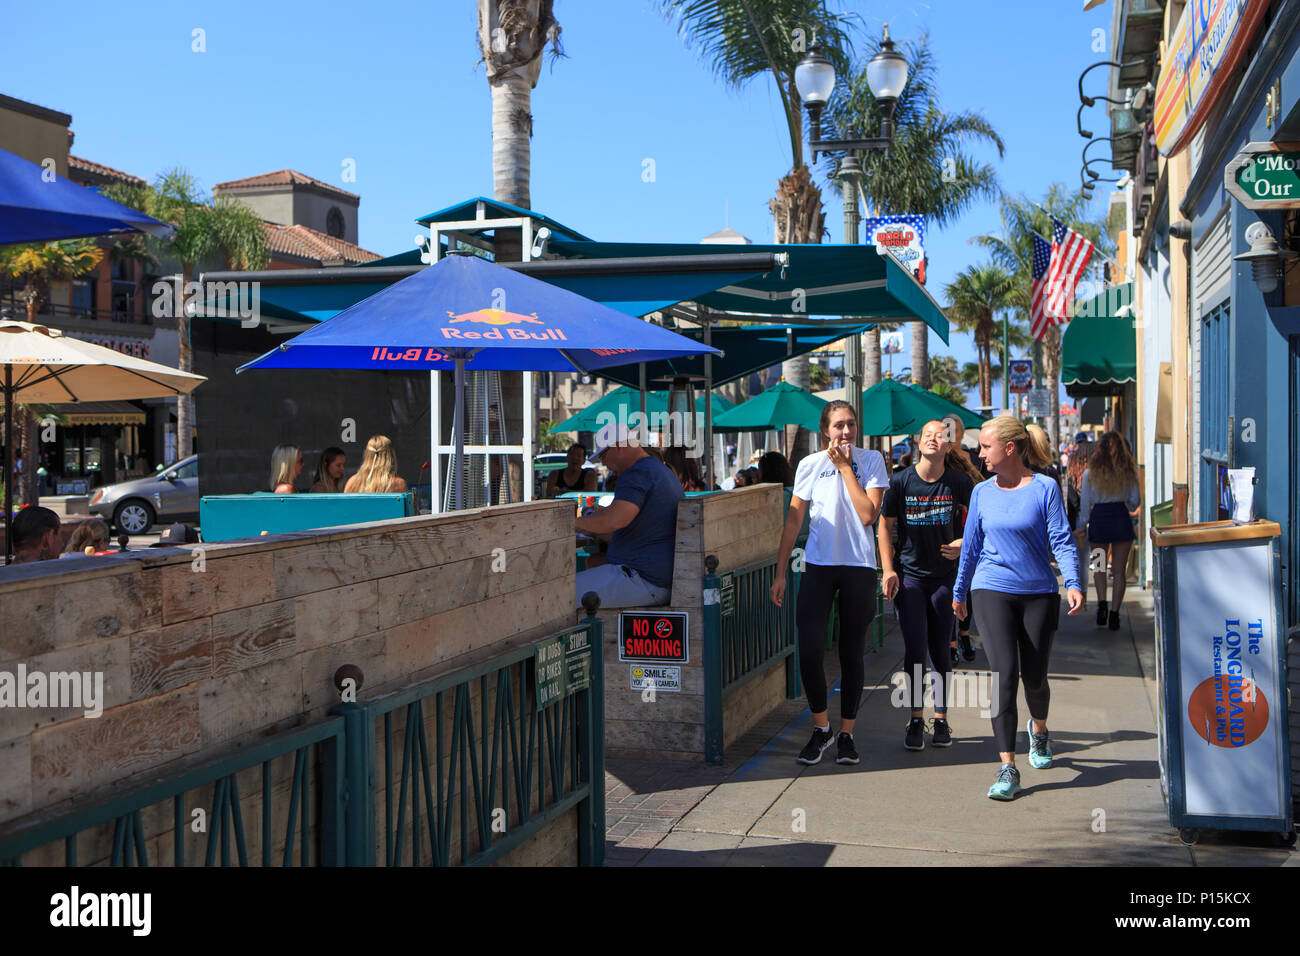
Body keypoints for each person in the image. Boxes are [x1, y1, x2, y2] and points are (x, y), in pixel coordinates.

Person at [952, 416, 1083, 801]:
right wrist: (960, 592)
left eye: (986, 447)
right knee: (1004, 674)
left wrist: (1073, 582)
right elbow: (972, 547)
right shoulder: (981, 493)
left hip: (1038, 591)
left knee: (1035, 678)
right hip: (991, 588)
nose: (980, 453)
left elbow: (1060, 539)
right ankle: (1008, 767)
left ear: (1009, 448)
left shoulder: (1044, 487)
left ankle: (1039, 730)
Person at [770, 400, 890, 767]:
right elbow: (793, 521)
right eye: (838, 425)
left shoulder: (871, 461)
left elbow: (868, 515)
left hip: (857, 567)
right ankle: (821, 728)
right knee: (808, 650)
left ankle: (847, 734)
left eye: (851, 424)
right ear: (825, 430)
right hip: (818, 566)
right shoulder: (809, 465)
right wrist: (779, 573)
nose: (846, 432)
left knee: (851, 653)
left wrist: (845, 469)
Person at [880, 420, 974, 751]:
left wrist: (963, 542)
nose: (934, 439)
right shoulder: (901, 481)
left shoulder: (958, 483)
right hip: (910, 578)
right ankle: (916, 718)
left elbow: (981, 518)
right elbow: (884, 525)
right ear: (919, 443)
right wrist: (888, 569)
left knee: (941, 649)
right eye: (928, 435)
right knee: (915, 648)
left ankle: (942, 718)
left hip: (945, 578)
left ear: (949, 447)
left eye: (941, 436)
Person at [574, 423, 684, 608]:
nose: (605, 465)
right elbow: (619, 528)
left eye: (604, 456)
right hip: (652, 578)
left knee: (557, 595)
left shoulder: (637, 472)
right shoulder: (655, 468)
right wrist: (591, 526)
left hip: (642, 579)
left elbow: (615, 520)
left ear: (617, 446)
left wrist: (572, 523)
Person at [1076, 431, 1141, 631]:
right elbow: (1134, 502)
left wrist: (1081, 524)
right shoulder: (1128, 472)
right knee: (1119, 570)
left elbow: (1085, 504)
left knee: (1099, 566)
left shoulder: (1090, 474)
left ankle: (1102, 605)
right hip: (1120, 518)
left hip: (1099, 521)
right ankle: (1115, 614)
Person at [942, 414, 986, 664]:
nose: (951, 434)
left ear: (961, 433)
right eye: (946, 429)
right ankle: (951, 641)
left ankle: (965, 634)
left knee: (965, 581)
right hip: (946, 524)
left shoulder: (970, 457)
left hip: (967, 524)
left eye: (955, 429)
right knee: (950, 582)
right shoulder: (938, 455)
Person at [1065, 440, 1095, 608]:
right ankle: (1100, 594)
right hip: (1097, 519)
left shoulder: (1073, 469)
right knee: (1098, 559)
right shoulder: (1096, 471)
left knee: (1081, 561)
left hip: (1078, 520)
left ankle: (1081, 595)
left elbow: (1071, 498)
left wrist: (1072, 524)